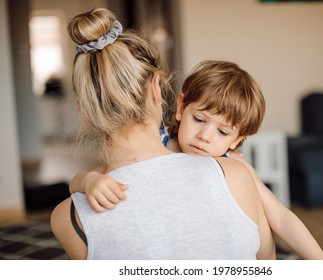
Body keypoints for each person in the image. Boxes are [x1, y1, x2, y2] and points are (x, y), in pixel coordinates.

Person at [50, 8, 276, 260]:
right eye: (200, 119)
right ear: (157, 89)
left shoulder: (67, 218)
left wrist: (83, 182)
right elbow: (267, 262)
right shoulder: (234, 174)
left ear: (85, 111)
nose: (206, 135)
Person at [70, 59, 323, 260]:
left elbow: (281, 218)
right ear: (181, 107)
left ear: (237, 139)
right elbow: (85, 180)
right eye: (199, 119)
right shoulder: (156, 144)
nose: (205, 136)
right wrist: (89, 181)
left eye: (223, 132)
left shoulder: (234, 165)